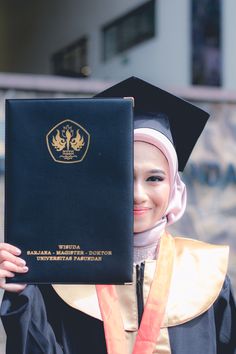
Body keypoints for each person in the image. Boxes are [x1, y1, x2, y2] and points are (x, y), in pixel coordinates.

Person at [0, 77, 236, 354]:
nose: (138, 194)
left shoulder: (207, 277)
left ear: (175, 187)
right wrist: (22, 294)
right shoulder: (62, 274)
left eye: (155, 178)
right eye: (123, 177)